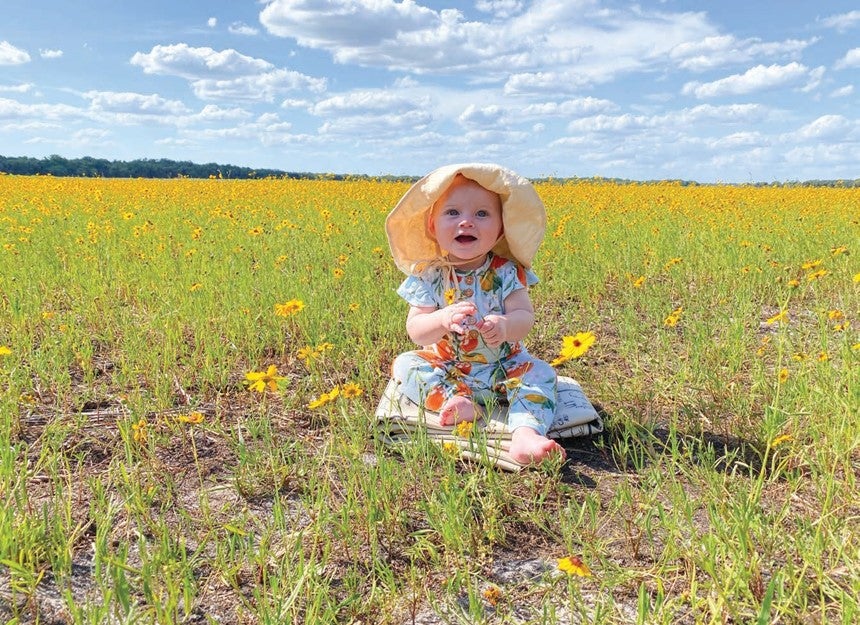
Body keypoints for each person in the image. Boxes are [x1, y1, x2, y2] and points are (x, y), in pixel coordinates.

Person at [386, 163, 565, 465]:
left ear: (500, 230)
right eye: (452, 213)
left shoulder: (507, 272)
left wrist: (507, 325)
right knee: (406, 364)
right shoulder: (430, 275)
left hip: (505, 367)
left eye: (482, 214)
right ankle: (459, 402)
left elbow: (525, 316)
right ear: (432, 226)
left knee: (542, 374)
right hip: (448, 368)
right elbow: (416, 330)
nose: (466, 222)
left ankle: (525, 434)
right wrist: (442, 320)